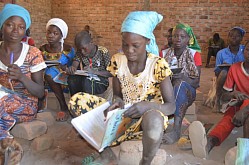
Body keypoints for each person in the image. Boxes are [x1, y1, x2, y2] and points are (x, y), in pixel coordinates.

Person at [69, 11, 176, 164]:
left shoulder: (158, 65)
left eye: (135, 46)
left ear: (147, 41)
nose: (129, 50)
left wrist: (147, 107)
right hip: (123, 119)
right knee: (77, 101)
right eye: (125, 44)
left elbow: (171, 106)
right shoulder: (117, 61)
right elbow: (118, 95)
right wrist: (117, 102)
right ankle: (107, 152)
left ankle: (145, 161)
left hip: (144, 124)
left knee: (153, 120)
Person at [0, 4, 47, 164]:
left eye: (21, 27)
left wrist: (21, 77)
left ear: (25, 30)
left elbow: (40, 92)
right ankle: (8, 146)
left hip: (27, 103)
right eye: (10, 25)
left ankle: (8, 145)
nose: (15, 30)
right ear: (1, 26)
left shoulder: (33, 53)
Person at [189, 40, 249, 159]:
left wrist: (244, 110)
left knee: (247, 116)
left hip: (246, 107)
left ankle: (244, 151)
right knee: (227, 120)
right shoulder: (235, 68)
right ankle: (209, 143)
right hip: (239, 104)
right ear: (243, 51)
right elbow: (224, 96)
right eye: (248, 49)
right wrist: (234, 93)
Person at [161, 23, 202, 144]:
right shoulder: (164, 54)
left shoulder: (194, 55)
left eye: (182, 36)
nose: (178, 39)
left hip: (187, 91)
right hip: (166, 91)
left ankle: (176, 130)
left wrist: (183, 77)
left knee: (179, 84)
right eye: (175, 36)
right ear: (171, 38)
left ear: (188, 39)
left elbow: (196, 82)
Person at [39, 18, 75, 121]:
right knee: (48, 73)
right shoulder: (42, 49)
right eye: (49, 32)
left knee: (50, 72)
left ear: (61, 35)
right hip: (47, 80)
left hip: (65, 80)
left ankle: (64, 107)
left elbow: (74, 67)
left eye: (55, 33)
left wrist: (66, 69)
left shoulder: (68, 50)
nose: (51, 35)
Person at [66, 30, 112, 96]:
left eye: (84, 48)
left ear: (91, 42)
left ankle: (88, 104)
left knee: (87, 82)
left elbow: (111, 72)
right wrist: (72, 68)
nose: (82, 52)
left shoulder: (103, 51)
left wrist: (95, 72)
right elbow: (75, 64)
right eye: (79, 49)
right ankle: (76, 103)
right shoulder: (80, 53)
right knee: (72, 80)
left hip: (101, 81)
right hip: (86, 79)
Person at [213, 27, 245, 112]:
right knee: (223, 72)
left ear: (242, 38)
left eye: (237, 36)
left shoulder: (245, 50)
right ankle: (218, 99)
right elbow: (216, 72)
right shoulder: (221, 53)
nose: (234, 37)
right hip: (226, 77)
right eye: (231, 36)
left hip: (241, 76)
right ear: (228, 37)